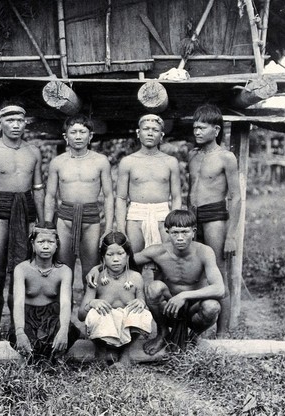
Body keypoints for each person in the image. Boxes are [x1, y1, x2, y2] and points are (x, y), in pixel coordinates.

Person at [87, 210, 225, 355]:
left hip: (193, 309)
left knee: (212, 306)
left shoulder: (204, 252)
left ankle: (193, 336)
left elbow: (219, 289)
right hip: (168, 308)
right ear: (167, 232)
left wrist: (183, 295)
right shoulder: (158, 252)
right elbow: (123, 260)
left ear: (194, 231)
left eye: (185, 232)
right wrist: (97, 269)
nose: (180, 238)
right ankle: (163, 332)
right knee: (154, 287)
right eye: (175, 233)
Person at [0, 104, 45, 342]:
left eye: (20, 121)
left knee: (21, 270)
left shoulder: (33, 152)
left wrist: (42, 222)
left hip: (26, 211)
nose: (15, 125)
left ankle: (18, 328)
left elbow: (38, 189)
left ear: (26, 124)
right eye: (10, 120)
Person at [187, 104, 241, 336]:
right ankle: (193, 326)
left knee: (219, 271)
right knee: (194, 269)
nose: (197, 132)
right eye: (195, 128)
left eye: (202, 128)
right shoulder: (193, 155)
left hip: (215, 215)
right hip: (192, 216)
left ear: (216, 129)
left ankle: (222, 334)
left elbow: (236, 197)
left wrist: (231, 235)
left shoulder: (226, 158)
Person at [44, 114, 114, 287]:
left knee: (91, 269)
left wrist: (109, 227)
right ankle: (62, 312)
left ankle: (88, 311)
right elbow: (50, 196)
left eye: (82, 132)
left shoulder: (100, 161)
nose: (78, 136)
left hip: (91, 218)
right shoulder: (58, 162)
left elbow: (109, 195)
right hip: (65, 217)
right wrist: (46, 226)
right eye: (73, 132)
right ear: (65, 136)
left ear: (90, 136)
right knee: (62, 268)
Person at [78, 231, 152, 365]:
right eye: (110, 254)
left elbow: (144, 307)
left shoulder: (135, 277)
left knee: (143, 314)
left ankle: (125, 352)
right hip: (103, 331)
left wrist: (141, 303)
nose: (116, 259)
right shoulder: (96, 278)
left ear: (128, 255)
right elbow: (81, 315)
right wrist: (93, 303)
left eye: (120, 253)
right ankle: (100, 351)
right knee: (94, 313)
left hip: (126, 332)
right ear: (103, 257)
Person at [115, 114, 182, 253]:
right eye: (146, 129)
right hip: (135, 215)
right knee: (133, 260)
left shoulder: (170, 162)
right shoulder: (128, 162)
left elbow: (176, 197)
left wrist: (174, 223)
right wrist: (121, 228)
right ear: (138, 133)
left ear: (161, 135)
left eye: (155, 130)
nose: (150, 133)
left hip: (163, 215)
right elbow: (121, 198)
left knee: (165, 262)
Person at [12, 223, 80, 359]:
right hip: (28, 316)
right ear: (32, 243)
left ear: (57, 244)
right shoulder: (21, 269)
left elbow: (66, 303)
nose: (45, 246)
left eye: (50, 242)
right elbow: (18, 303)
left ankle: (52, 355)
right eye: (41, 241)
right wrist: (20, 332)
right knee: (21, 337)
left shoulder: (64, 271)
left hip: (52, 318)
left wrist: (63, 330)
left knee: (68, 332)